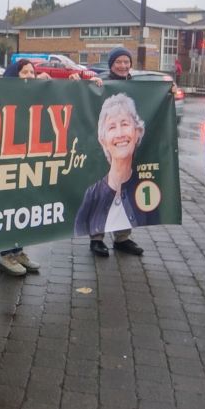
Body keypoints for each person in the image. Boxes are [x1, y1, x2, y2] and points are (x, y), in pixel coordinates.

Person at [82, 47, 145, 257]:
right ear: (111, 64)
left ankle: (122, 237)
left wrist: (168, 90)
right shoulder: (102, 82)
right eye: (118, 61)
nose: (123, 65)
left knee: (126, 188)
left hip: (126, 150)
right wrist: (91, 83)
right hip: (103, 147)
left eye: (126, 61)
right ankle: (97, 238)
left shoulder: (135, 85)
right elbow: (84, 93)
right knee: (102, 190)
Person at [74, 93, 160, 246]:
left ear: (137, 131)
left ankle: (123, 238)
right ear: (103, 140)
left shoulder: (146, 190)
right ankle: (97, 240)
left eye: (125, 124)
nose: (120, 134)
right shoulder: (91, 195)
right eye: (112, 127)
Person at [0, 59, 48, 275]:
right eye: (24, 72)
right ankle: (5, 255)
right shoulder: (4, 94)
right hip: (7, 159)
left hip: (28, 158)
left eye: (32, 72)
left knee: (22, 204)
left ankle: (18, 251)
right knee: (8, 204)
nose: (29, 76)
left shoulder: (36, 93)